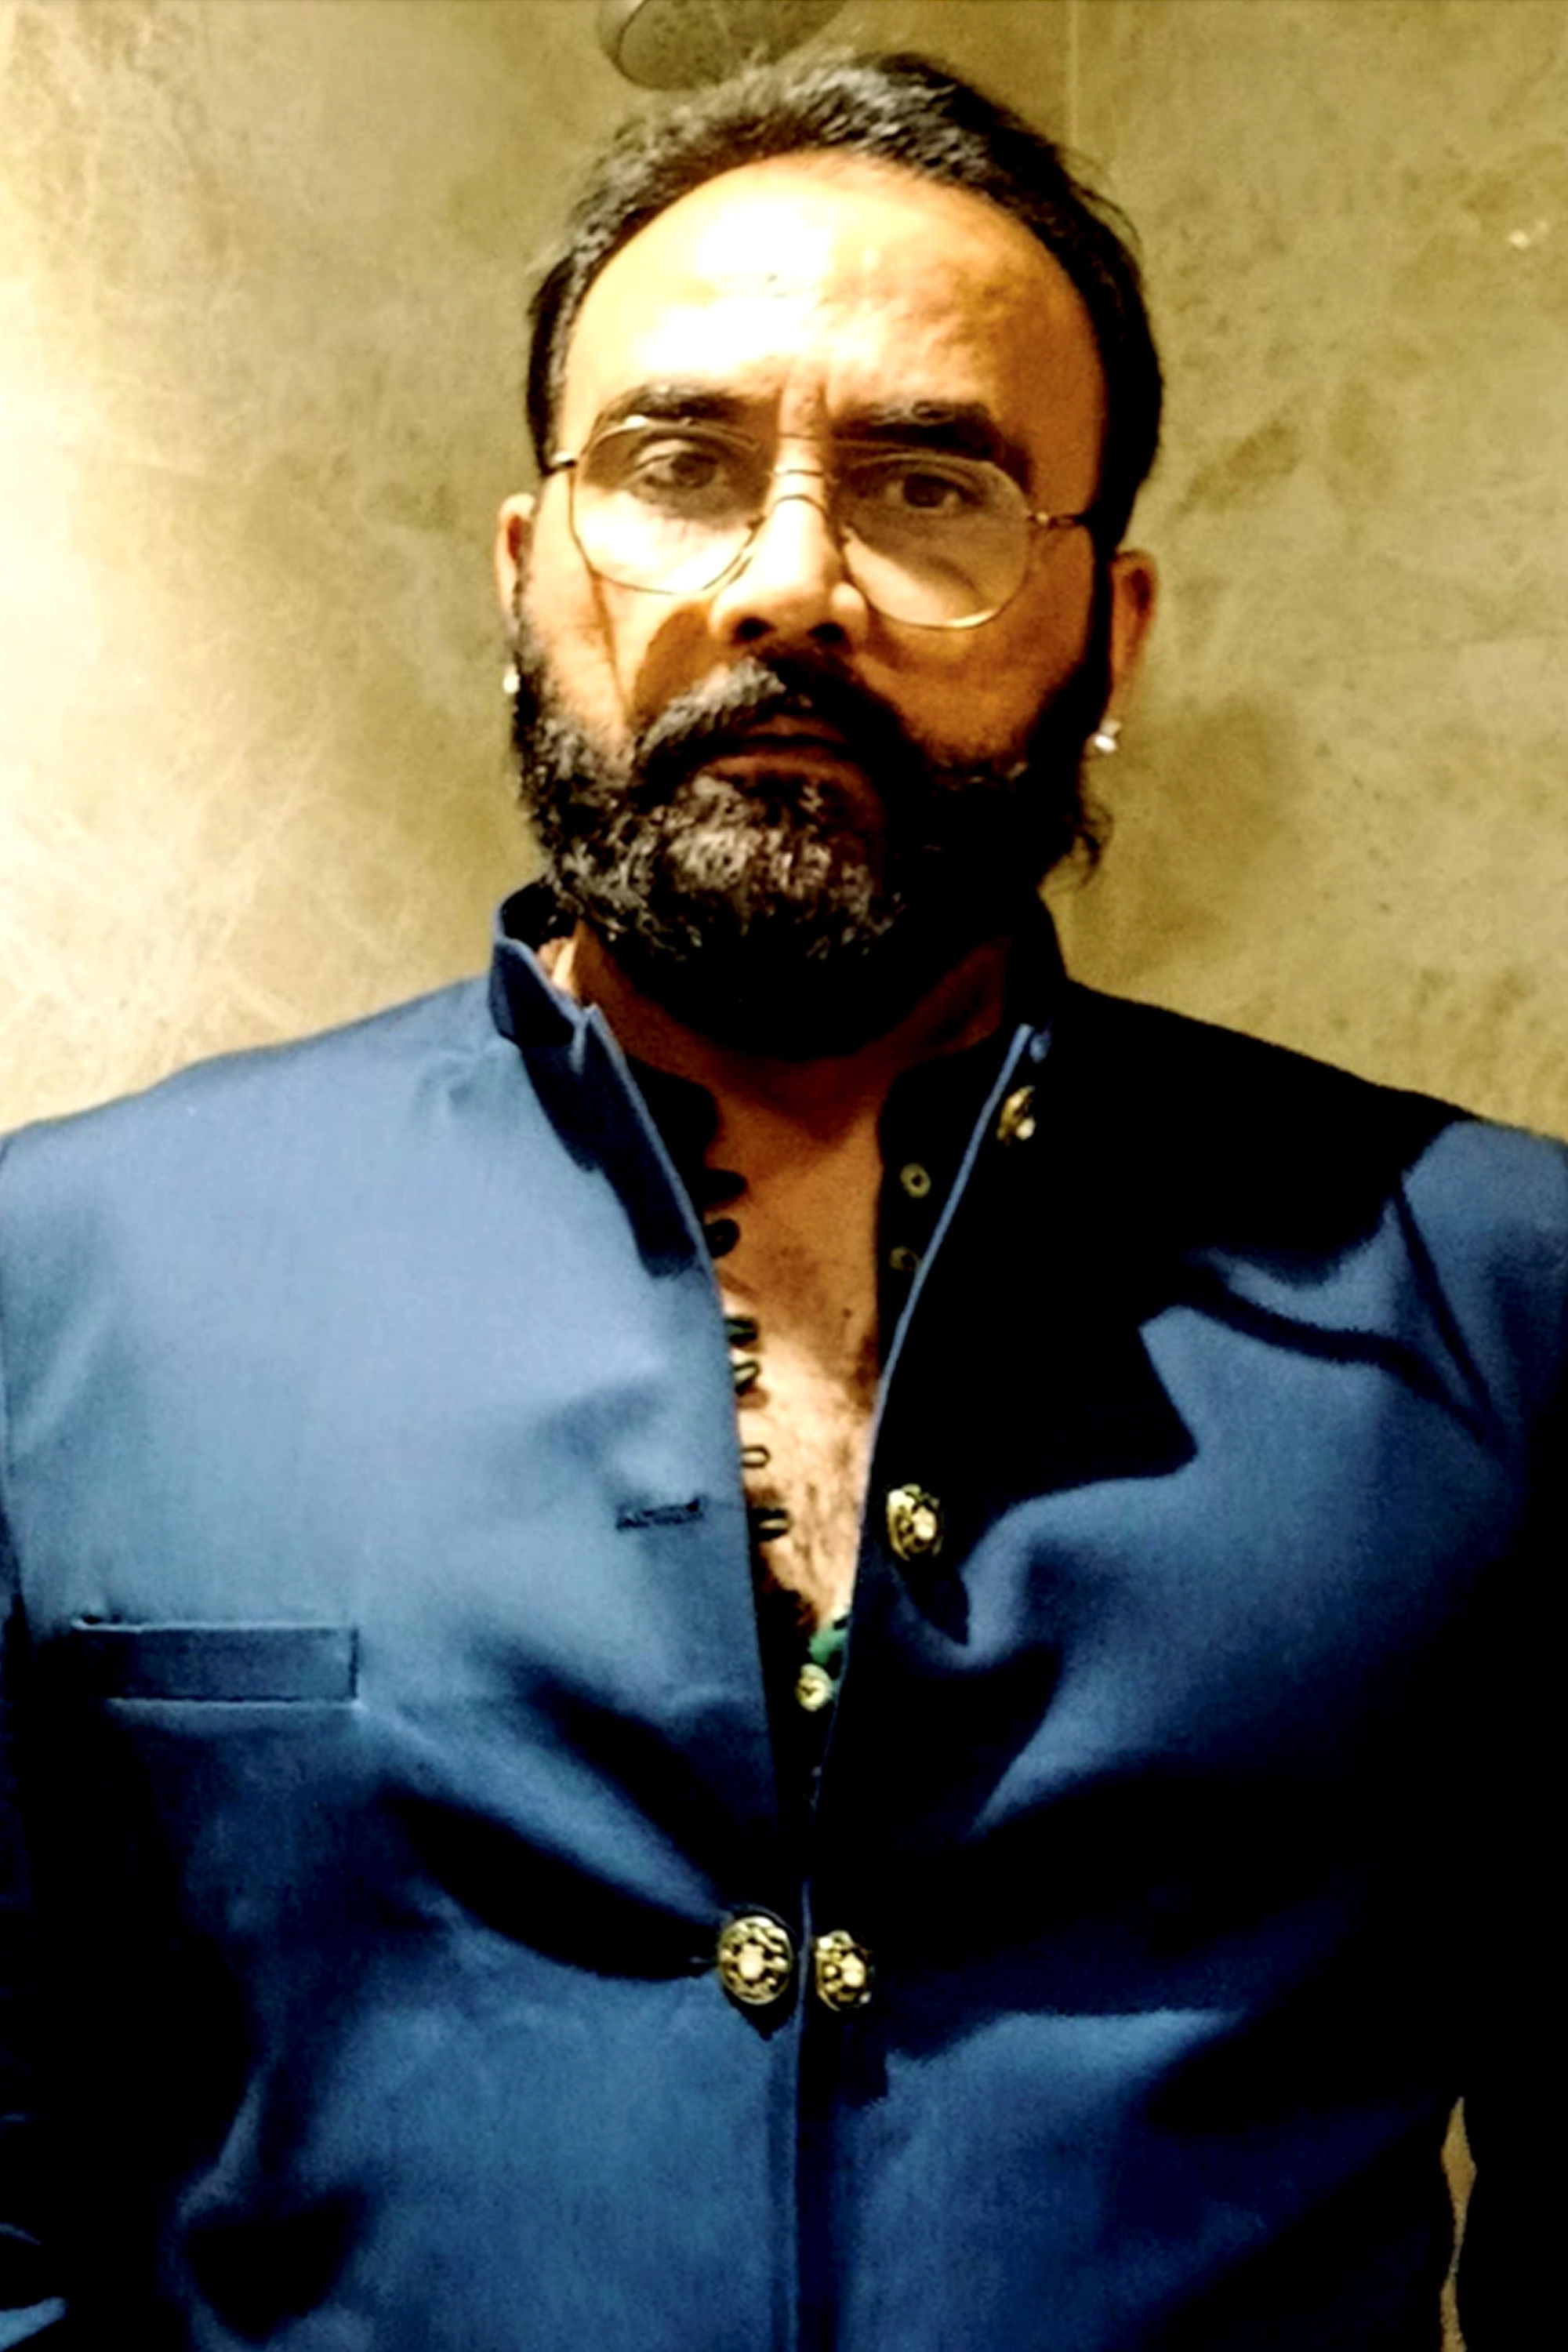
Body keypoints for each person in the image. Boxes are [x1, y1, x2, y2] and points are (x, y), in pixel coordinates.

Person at [0, 48, 1556, 2352]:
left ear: (1111, 633)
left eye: (932, 487)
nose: (792, 581)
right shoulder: (63, 1291)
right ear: (527, 575)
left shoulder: (1505, 1300)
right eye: (676, 469)